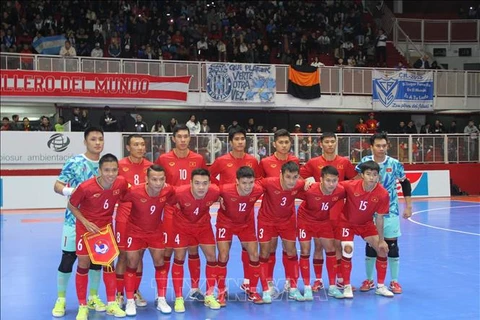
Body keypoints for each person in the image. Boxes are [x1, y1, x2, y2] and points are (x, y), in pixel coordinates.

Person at [51, 127, 106, 317]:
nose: (97, 142)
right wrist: (71, 192)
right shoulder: (74, 162)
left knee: (96, 259)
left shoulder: (106, 164)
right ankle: (61, 299)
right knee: (68, 258)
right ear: (85, 141)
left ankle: (93, 296)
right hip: (73, 220)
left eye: (100, 139)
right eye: (93, 139)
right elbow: (57, 185)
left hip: (99, 222)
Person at [68, 154, 128, 319]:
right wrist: (85, 222)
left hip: (105, 228)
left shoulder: (121, 183)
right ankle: (82, 306)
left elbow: (127, 197)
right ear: (100, 170)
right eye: (107, 170)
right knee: (83, 263)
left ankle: (111, 304)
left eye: (114, 170)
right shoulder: (86, 187)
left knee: (109, 264)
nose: (111, 174)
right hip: (86, 228)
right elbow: (71, 205)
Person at [155, 124, 207, 306]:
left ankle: (194, 289)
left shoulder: (198, 159)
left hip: (193, 212)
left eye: (186, 136)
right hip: (172, 211)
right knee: (168, 250)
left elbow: (204, 183)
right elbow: (159, 183)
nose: (183, 140)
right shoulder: (163, 159)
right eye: (180, 136)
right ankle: (162, 294)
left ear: (190, 138)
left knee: (193, 248)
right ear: (173, 138)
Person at [356, 133, 412, 295]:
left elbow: (405, 183)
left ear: (387, 146)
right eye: (378, 146)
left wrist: (408, 206)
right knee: (371, 245)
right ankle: (369, 279)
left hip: (391, 211)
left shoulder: (394, 164)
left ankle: (394, 281)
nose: (381, 149)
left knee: (392, 246)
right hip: (369, 212)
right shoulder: (364, 163)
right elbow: (355, 183)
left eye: (384, 145)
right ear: (371, 146)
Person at [299, 132, 357, 291]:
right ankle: (318, 280)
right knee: (318, 246)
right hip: (318, 213)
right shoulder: (313, 163)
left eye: (333, 141)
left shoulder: (344, 162)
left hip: (339, 211)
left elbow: (354, 181)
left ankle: (339, 278)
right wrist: (306, 180)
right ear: (321, 144)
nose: (330, 144)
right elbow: (299, 178)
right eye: (327, 142)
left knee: (337, 246)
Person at [209, 126, 261, 291]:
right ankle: (221, 290)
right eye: (236, 139)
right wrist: (219, 193)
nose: (240, 142)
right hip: (227, 215)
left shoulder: (252, 160)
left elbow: (258, 180)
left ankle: (248, 284)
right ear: (230, 142)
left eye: (242, 139)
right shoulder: (222, 161)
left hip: (246, 215)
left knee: (250, 250)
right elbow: (209, 176)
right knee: (223, 254)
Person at [121, 165, 176, 316]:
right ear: (146, 179)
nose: (158, 183)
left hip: (156, 232)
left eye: (161, 179)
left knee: (160, 263)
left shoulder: (168, 190)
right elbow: (117, 198)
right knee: (132, 263)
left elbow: (175, 201)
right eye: (154, 179)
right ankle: (130, 301)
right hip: (134, 232)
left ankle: (161, 299)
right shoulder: (134, 191)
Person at [336, 160, 393, 298]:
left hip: (366, 224)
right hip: (347, 223)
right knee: (347, 249)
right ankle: (347, 286)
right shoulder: (350, 186)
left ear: (378, 176)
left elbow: (379, 218)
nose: (371, 177)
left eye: (374, 174)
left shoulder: (383, 194)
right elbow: (331, 186)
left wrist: (381, 240)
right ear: (362, 175)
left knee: (382, 250)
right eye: (368, 174)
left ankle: (380, 286)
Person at [169, 169, 221, 312]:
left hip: (203, 226)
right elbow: (167, 202)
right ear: (190, 182)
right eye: (197, 183)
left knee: (212, 257)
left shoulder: (215, 192)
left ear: (210, 183)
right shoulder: (179, 193)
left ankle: (209, 294)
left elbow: (225, 196)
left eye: (205, 183)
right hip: (182, 227)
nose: (201, 187)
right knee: (179, 258)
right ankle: (179, 298)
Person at [257, 161, 306, 302]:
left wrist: (309, 181)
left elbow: (312, 189)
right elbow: (251, 188)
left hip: (287, 221)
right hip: (267, 221)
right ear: (281, 175)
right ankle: (267, 287)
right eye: (288, 176)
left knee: (291, 251)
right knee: (265, 251)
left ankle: (293, 286)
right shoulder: (268, 183)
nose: (291, 181)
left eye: (295, 177)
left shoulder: (298, 184)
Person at [258, 129, 300, 294]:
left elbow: (298, 181)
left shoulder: (295, 160)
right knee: (269, 250)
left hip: (288, 215)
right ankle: (268, 282)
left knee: (291, 249)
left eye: (286, 142)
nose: (284, 145)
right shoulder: (265, 162)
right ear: (274, 143)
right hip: (268, 214)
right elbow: (258, 184)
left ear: (290, 143)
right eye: (280, 142)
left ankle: (291, 283)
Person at [216, 166, 265, 305]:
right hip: (225, 223)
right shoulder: (224, 190)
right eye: (244, 183)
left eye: (251, 183)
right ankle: (221, 290)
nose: (248, 186)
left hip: (246, 224)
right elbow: (209, 193)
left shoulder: (258, 190)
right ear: (237, 181)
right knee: (223, 255)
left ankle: (253, 289)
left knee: (254, 255)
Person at [114, 135, 153, 307]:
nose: (140, 147)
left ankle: (135, 291)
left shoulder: (151, 167)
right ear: (128, 148)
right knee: (123, 255)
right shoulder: (119, 166)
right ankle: (119, 293)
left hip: (143, 217)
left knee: (139, 255)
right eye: (136, 144)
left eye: (142, 144)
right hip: (124, 215)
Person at [297, 166, 346, 300]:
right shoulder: (310, 189)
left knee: (330, 249)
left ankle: (332, 286)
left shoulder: (340, 190)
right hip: (305, 221)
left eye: (334, 180)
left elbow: (356, 186)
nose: (331, 184)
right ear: (321, 180)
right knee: (305, 250)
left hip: (323, 221)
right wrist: (304, 181)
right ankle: (307, 287)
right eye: (328, 180)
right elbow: (289, 187)